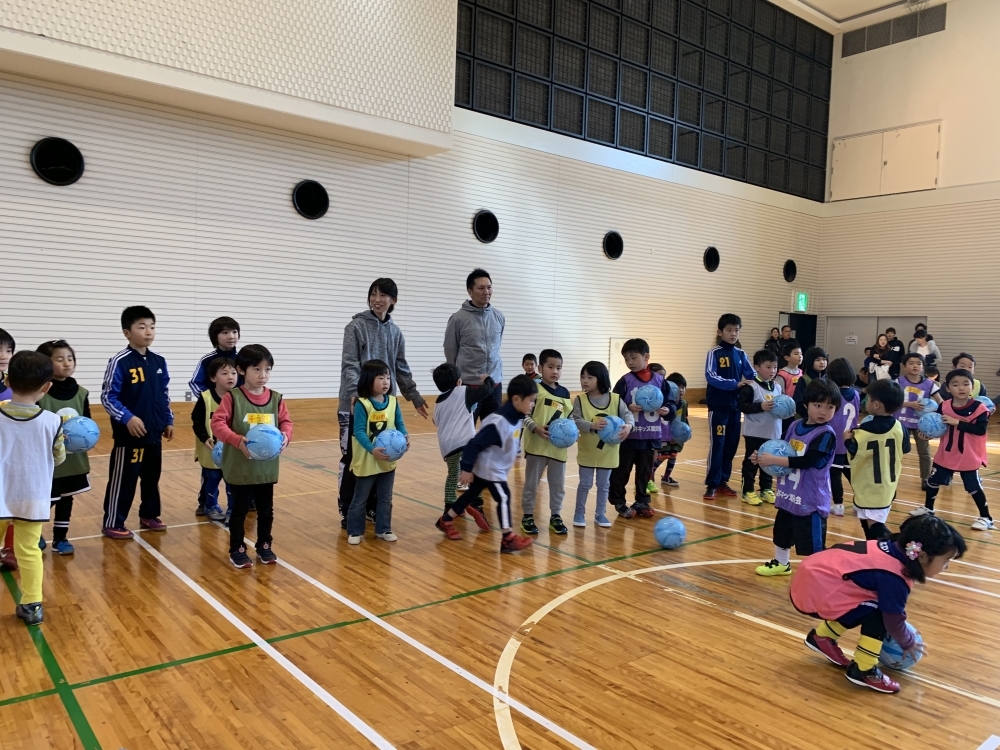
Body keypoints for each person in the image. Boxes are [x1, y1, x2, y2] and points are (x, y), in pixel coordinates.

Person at [791, 514, 964, 694]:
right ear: (921, 556)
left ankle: (821, 637)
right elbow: (893, 621)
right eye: (946, 560)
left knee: (869, 603)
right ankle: (864, 669)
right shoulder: (894, 576)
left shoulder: (893, 549)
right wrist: (908, 642)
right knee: (879, 612)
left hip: (814, 580)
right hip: (815, 591)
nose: (947, 566)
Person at [339, 279, 427, 529]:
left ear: (393, 300)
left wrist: (414, 396)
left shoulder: (396, 332)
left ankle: (372, 508)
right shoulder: (355, 326)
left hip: (384, 406)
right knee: (353, 458)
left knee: (382, 456)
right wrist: (357, 391)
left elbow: (400, 367)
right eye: (373, 294)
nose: (377, 299)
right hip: (355, 403)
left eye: (383, 295)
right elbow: (350, 364)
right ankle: (348, 508)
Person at [435, 375, 537, 553]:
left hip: (492, 468)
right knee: (503, 497)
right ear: (516, 400)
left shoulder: (516, 416)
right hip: (490, 470)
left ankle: (446, 520)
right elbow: (474, 444)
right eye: (531, 400)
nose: (533, 405)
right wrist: (466, 469)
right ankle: (508, 538)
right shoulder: (498, 423)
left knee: (469, 496)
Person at [212, 344, 293, 567]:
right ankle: (237, 548)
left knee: (266, 510)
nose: (263, 375)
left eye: (267, 370)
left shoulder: (276, 399)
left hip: (265, 469)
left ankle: (264, 545)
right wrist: (236, 439)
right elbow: (217, 423)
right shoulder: (232, 398)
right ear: (241, 370)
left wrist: (286, 435)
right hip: (241, 468)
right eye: (256, 369)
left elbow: (286, 422)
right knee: (238, 511)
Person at [0, 351, 65, 625]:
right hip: (32, 497)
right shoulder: (53, 422)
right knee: (29, 551)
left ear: (7, 379)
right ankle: (32, 605)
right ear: (47, 387)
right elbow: (59, 457)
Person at [753, 378, 841, 576]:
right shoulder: (794, 427)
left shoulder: (826, 434)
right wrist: (761, 457)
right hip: (788, 494)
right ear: (806, 404)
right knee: (782, 532)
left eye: (830, 407)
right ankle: (782, 563)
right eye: (818, 405)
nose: (823, 411)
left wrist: (774, 459)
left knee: (811, 541)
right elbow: (782, 450)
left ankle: (820, 572)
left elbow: (808, 461)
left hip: (810, 499)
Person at [100, 306, 174, 539]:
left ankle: (149, 514)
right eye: (141, 327)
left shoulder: (159, 361)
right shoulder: (119, 361)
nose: (148, 332)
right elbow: (107, 396)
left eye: (152, 326)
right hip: (129, 436)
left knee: (152, 478)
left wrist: (168, 419)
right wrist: (127, 418)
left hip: (154, 433)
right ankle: (113, 521)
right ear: (127, 332)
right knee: (124, 480)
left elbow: (164, 395)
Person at [912, 368, 993, 530]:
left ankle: (986, 517)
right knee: (933, 481)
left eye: (966, 384)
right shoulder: (944, 406)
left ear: (972, 386)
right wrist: (928, 435)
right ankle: (929, 509)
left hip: (967, 455)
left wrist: (957, 422)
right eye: (955, 385)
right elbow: (939, 427)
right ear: (948, 388)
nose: (961, 388)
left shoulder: (979, 408)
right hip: (946, 453)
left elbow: (980, 430)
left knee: (973, 487)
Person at [36, 340, 92, 554]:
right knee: (46, 499)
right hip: (48, 459)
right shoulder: (40, 392)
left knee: (67, 498)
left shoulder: (81, 392)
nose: (67, 363)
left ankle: (61, 538)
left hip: (73, 458)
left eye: (70, 358)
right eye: (59, 359)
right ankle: (34, 531)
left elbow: (87, 421)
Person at [611, 339, 676, 517]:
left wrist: (667, 409)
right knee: (621, 471)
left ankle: (642, 501)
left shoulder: (660, 382)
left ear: (646, 357)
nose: (630, 362)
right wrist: (627, 407)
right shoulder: (625, 381)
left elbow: (671, 403)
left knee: (645, 472)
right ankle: (619, 501)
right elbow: (613, 404)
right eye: (626, 359)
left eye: (633, 357)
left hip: (650, 437)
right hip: (629, 437)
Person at [347, 359, 407, 545]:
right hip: (368, 459)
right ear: (368, 380)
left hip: (387, 460)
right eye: (380, 377)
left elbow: (400, 423)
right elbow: (358, 431)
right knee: (360, 498)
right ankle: (355, 531)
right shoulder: (362, 404)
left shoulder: (393, 402)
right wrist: (372, 449)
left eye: (388, 377)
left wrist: (405, 436)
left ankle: (383, 528)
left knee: (385, 498)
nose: (386, 382)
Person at [519, 349, 574, 535]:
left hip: (558, 450)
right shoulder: (534, 389)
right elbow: (523, 415)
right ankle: (527, 515)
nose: (555, 371)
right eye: (550, 367)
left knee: (558, 485)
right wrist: (535, 427)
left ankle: (556, 516)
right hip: (537, 447)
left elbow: (570, 419)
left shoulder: (565, 393)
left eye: (559, 368)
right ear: (540, 368)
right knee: (531, 484)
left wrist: (572, 434)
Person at [572, 361, 633, 527]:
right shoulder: (580, 400)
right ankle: (579, 513)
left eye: (589, 377)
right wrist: (591, 425)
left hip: (608, 452)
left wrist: (628, 426)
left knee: (604, 485)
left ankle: (600, 514)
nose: (584, 380)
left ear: (601, 378)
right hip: (588, 451)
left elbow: (628, 416)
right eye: (582, 377)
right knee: (585, 484)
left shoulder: (615, 399)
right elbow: (576, 420)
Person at [847, 380, 909, 540]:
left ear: (876, 405)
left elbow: (854, 451)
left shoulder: (864, 431)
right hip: (888, 484)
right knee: (869, 522)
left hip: (870, 486)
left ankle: (899, 548)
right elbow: (906, 449)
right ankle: (878, 551)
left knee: (875, 527)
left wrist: (847, 440)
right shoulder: (900, 427)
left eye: (868, 398)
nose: (865, 401)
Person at [431, 363, 495, 515]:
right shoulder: (463, 391)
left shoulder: (438, 402)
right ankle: (476, 502)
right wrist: (488, 379)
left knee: (453, 474)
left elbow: (436, 422)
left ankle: (450, 505)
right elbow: (486, 390)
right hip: (466, 442)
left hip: (448, 446)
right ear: (458, 381)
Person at [704, 314, 755, 501]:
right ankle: (711, 483)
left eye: (736, 330)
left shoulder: (741, 354)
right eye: (729, 330)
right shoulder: (714, 353)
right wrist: (734, 384)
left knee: (731, 445)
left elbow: (752, 374)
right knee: (718, 444)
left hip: (736, 408)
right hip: (718, 407)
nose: (733, 334)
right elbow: (711, 376)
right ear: (720, 332)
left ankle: (723, 480)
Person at [444, 268, 505, 420]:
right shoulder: (458, 319)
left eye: (489, 287)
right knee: (465, 432)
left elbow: (496, 346)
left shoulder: (499, 317)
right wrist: (455, 380)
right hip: (468, 386)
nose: (486, 292)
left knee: (492, 433)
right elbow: (450, 350)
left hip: (494, 385)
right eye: (481, 288)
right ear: (470, 291)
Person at [191, 357, 238, 523]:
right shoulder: (205, 398)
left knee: (233, 480)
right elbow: (196, 422)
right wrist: (205, 438)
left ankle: (234, 507)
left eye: (233, 372)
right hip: (211, 450)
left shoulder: (239, 398)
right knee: (211, 479)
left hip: (232, 450)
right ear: (213, 378)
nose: (230, 376)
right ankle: (211, 505)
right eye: (224, 373)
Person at [737, 349, 782, 507]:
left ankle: (766, 489)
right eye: (768, 367)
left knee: (768, 463)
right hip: (755, 433)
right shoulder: (751, 387)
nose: (772, 371)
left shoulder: (777, 387)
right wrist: (760, 406)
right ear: (756, 367)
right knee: (752, 462)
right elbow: (742, 406)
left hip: (773, 432)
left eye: (775, 367)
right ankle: (747, 491)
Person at [895, 353, 941, 489]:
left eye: (918, 363)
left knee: (925, 453)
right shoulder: (898, 382)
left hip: (922, 425)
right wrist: (910, 404)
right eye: (911, 363)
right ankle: (891, 476)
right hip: (901, 422)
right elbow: (893, 401)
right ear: (904, 366)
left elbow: (940, 401)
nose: (915, 366)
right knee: (897, 451)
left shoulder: (929, 384)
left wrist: (943, 413)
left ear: (923, 367)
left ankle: (926, 479)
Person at [827, 358, 860, 518]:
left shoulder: (833, 394)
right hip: (851, 440)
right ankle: (860, 502)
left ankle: (838, 504)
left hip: (835, 441)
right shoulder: (856, 394)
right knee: (852, 474)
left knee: (835, 474)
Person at [188, 316, 241, 398]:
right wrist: (210, 399)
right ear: (215, 337)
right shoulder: (207, 360)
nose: (231, 336)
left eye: (234, 332)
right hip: (215, 407)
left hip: (239, 405)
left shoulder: (243, 358)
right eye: (225, 332)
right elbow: (195, 383)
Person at [0, 328, 16, 571]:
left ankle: (9, 549)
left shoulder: (12, 384)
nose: (3, 355)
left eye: (8, 350)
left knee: (12, 503)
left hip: (9, 455)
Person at [655, 372, 689, 488]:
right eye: (678, 387)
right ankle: (650, 475)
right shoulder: (665, 404)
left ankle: (666, 477)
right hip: (665, 435)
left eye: (683, 387)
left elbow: (685, 418)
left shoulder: (684, 403)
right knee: (663, 456)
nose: (681, 390)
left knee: (673, 455)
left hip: (677, 435)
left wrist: (686, 432)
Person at [645, 363, 668, 495]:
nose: (662, 379)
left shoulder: (663, 390)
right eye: (660, 375)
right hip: (642, 430)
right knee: (644, 458)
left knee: (654, 455)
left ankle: (649, 479)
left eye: (664, 376)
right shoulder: (644, 392)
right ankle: (642, 482)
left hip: (658, 429)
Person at [777, 342, 803, 435]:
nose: (800, 356)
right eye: (796, 354)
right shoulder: (782, 374)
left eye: (801, 354)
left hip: (799, 410)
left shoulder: (801, 372)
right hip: (787, 412)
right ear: (787, 358)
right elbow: (779, 394)